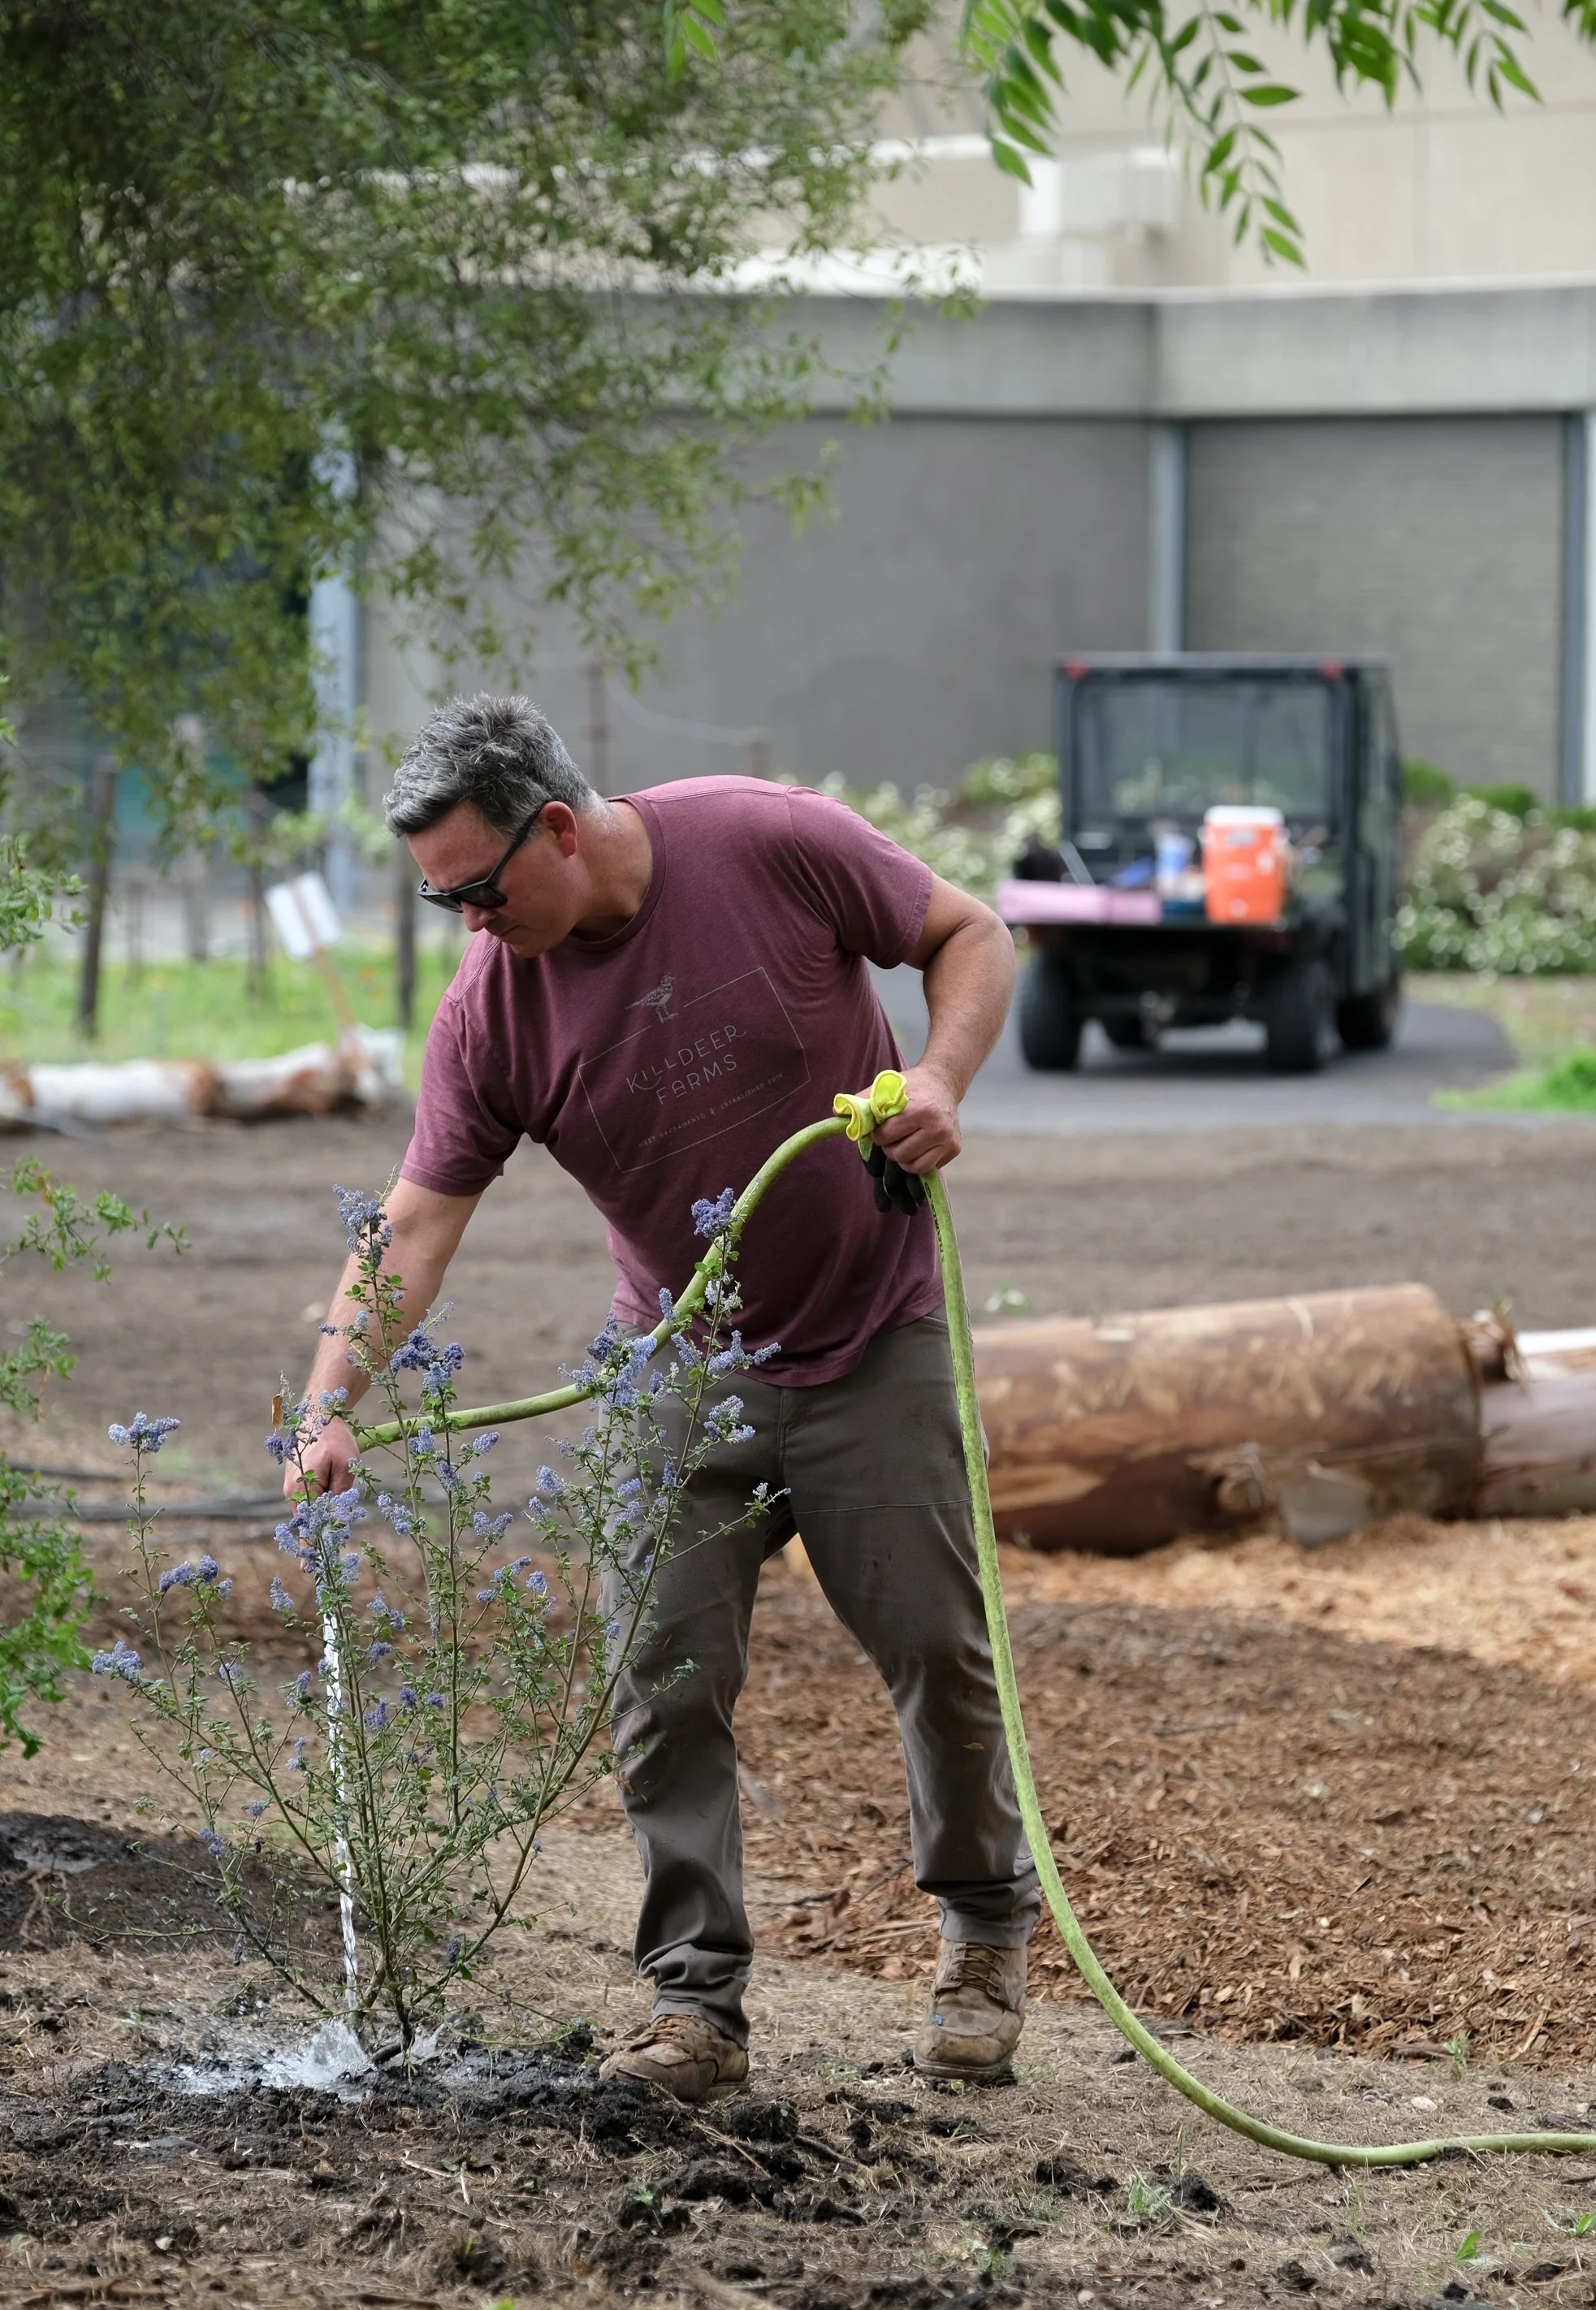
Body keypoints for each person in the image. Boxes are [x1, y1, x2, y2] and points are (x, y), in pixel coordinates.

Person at [286, 694, 1038, 2101]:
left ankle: (985, 1937)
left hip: (874, 1335)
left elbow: (972, 931)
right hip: (678, 1363)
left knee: (937, 1651)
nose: (466, 922)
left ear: (558, 830)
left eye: (477, 888)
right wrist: (326, 1401)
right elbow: (419, 1222)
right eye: (441, 899)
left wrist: (938, 1079)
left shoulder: (768, 840)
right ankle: (695, 2004)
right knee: (660, 1677)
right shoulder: (491, 1009)